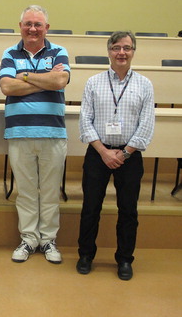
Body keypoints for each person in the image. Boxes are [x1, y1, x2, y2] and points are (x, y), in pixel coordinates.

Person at [77, 31, 154, 281]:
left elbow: (146, 125)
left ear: (133, 52)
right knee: (90, 207)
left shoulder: (145, 84)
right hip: (98, 154)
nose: (122, 52)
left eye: (127, 48)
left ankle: (124, 259)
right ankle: (86, 255)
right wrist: (103, 151)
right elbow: (85, 122)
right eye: (117, 47)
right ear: (109, 50)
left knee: (128, 210)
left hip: (129, 157)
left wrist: (124, 152)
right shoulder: (93, 82)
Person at [0, 5, 70, 264]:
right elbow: (7, 86)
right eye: (28, 23)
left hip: (52, 133)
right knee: (27, 192)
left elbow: (60, 82)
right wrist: (44, 78)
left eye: (38, 24)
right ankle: (29, 239)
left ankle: (48, 240)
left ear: (46, 28)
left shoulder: (59, 51)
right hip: (20, 133)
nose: (32, 29)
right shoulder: (9, 52)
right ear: (20, 27)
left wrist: (26, 76)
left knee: (50, 192)